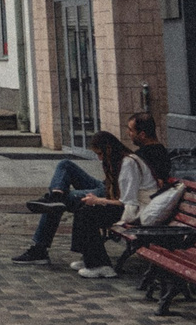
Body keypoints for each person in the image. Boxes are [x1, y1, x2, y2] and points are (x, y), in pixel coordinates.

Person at [12, 113, 165, 267]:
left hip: (114, 195)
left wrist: (100, 199)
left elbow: (136, 191)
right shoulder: (136, 154)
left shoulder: (152, 154)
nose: (128, 134)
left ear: (143, 134)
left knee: (64, 202)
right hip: (107, 187)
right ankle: (56, 195)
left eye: (131, 130)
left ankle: (40, 247)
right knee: (65, 165)